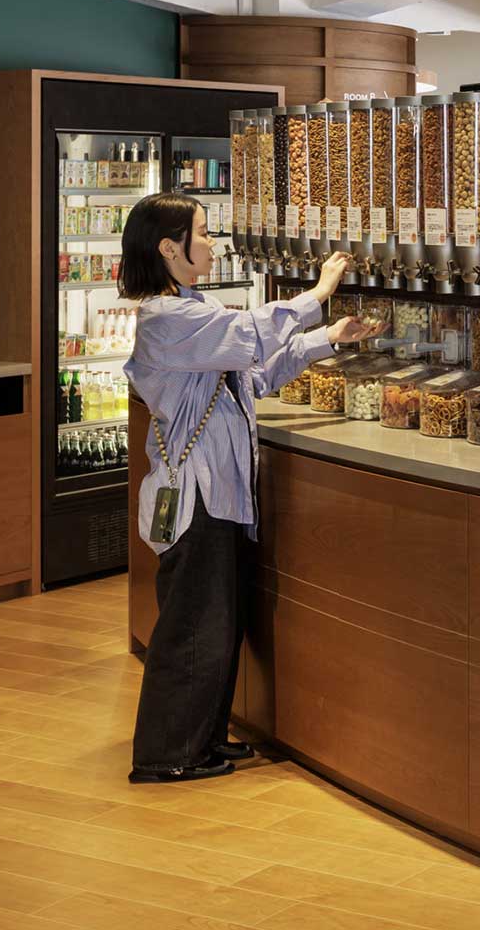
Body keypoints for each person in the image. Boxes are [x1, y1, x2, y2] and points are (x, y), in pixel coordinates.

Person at [119, 194, 370, 783]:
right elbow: (252, 331)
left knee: (217, 621)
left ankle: (202, 739)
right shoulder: (165, 319)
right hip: (196, 495)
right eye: (203, 233)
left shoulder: (194, 308)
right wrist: (316, 294)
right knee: (192, 624)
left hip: (219, 490)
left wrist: (329, 338)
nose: (213, 243)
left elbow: (253, 375)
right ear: (169, 248)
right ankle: (166, 754)